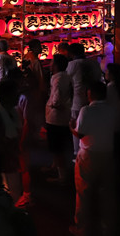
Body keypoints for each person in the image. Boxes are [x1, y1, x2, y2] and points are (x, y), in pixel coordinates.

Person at [69, 81, 116, 236]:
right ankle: (107, 227)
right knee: (106, 193)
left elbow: (80, 133)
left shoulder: (86, 110)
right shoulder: (111, 110)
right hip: (107, 154)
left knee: (83, 193)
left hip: (88, 155)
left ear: (92, 93)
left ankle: (81, 227)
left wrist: (71, 127)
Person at [0, 79, 23, 204]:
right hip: (3, 162)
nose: (18, 97)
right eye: (15, 94)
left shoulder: (11, 112)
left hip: (9, 160)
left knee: (13, 191)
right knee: (7, 192)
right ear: (6, 96)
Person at [65, 43, 102, 156]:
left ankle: (78, 153)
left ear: (71, 53)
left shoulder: (72, 64)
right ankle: (92, 149)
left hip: (78, 100)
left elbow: (66, 80)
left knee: (78, 126)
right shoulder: (94, 63)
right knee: (92, 126)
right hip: (94, 98)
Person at [44, 54, 73, 184]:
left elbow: (56, 98)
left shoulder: (58, 79)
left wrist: (52, 104)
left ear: (55, 65)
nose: (50, 64)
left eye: (51, 62)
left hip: (56, 117)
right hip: (63, 115)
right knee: (58, 144)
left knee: (57, 146)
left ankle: (62, 176)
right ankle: (54, 166)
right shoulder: (66, 76)